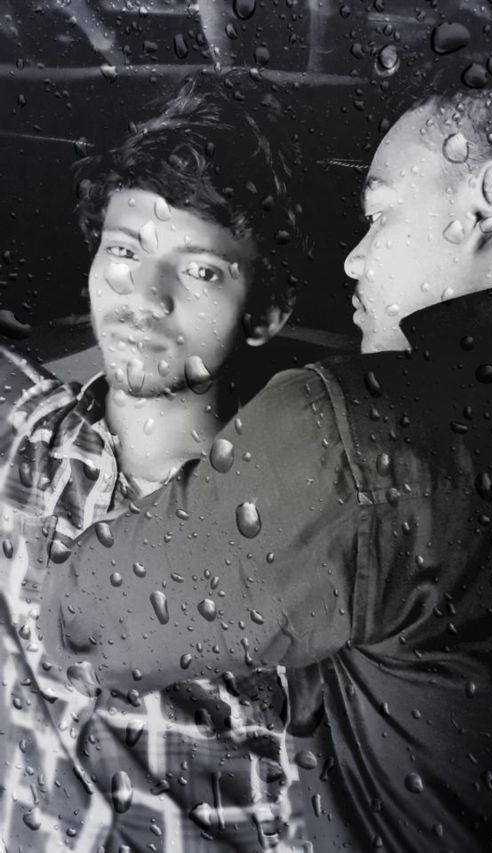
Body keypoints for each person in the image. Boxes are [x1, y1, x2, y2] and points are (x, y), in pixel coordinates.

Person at [42, 82, 492, 851]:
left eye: (379, 214)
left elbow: (81, 615)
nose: (357, 257)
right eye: (123, 250)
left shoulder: (352, 439)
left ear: (486, 199)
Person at [0, 74, 309, 852]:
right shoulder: (25, 439)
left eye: (199, 270)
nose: (145, 293)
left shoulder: (297, 539)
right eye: (125, 250)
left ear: (267, 311)